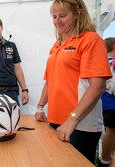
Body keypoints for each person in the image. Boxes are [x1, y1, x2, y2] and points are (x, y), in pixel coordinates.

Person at [34, 0, 112, 163]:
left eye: (63, 15)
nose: (57, 21)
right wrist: (40, 106)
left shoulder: (90, 40)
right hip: (55, 120)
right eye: (54, 16)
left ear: (77, 14)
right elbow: (50, 80)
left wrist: (72, 120)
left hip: (80, 124)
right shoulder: (56, 45)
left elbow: (97, 86)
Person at [99, 37, 115, 167]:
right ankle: (105, 160)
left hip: (104, 102)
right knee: (111, 131)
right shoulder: (113, 63)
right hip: (112, 102)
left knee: (109, 131)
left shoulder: (102, 63)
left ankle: (108, 157)